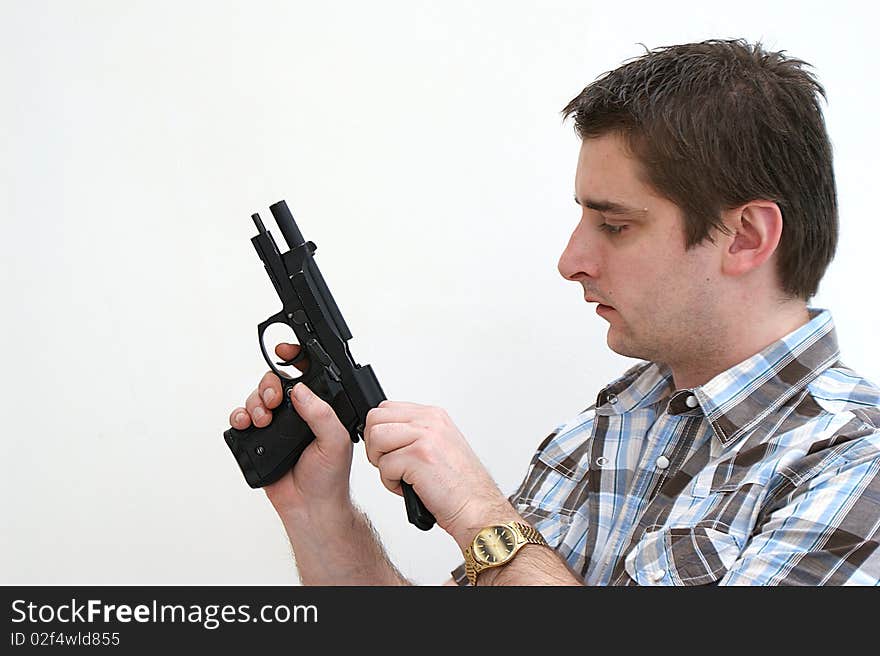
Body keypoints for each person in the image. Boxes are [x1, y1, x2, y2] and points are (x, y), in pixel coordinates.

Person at [228, 38, 880, 585]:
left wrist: (484, 517)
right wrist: (322, 516)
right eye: (582, 216)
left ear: (746, 237)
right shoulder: (600, 432)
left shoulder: (857, 468)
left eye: (616, 225)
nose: (571, 261)